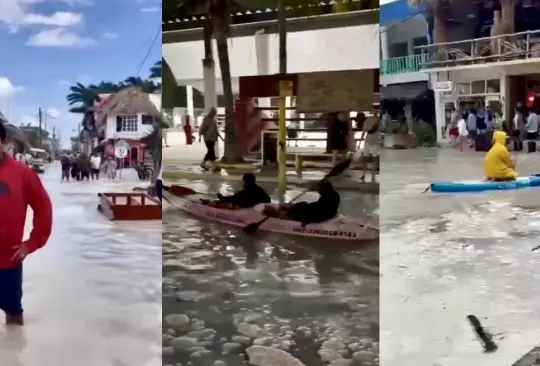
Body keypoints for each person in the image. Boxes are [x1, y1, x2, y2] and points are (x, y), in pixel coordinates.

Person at [0, 122, 53, 325]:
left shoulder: (23, 174)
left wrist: (30, 244)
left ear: (3, 142)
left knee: (14, 320)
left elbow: (43, 207)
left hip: (8, 262)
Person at [199, 107, 221, 171]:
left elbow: (214, 128)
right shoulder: (207, 119)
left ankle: (210, 165)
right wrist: (200, 135)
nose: (214, 114)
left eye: (215, 113)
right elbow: (202, 127)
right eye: (214, 112)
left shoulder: (212, 119)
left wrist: (217, 134)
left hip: (212, 138)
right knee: (211, 151)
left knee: (211, 152)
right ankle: (208, 165)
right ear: (211, 112)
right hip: (208, 138)